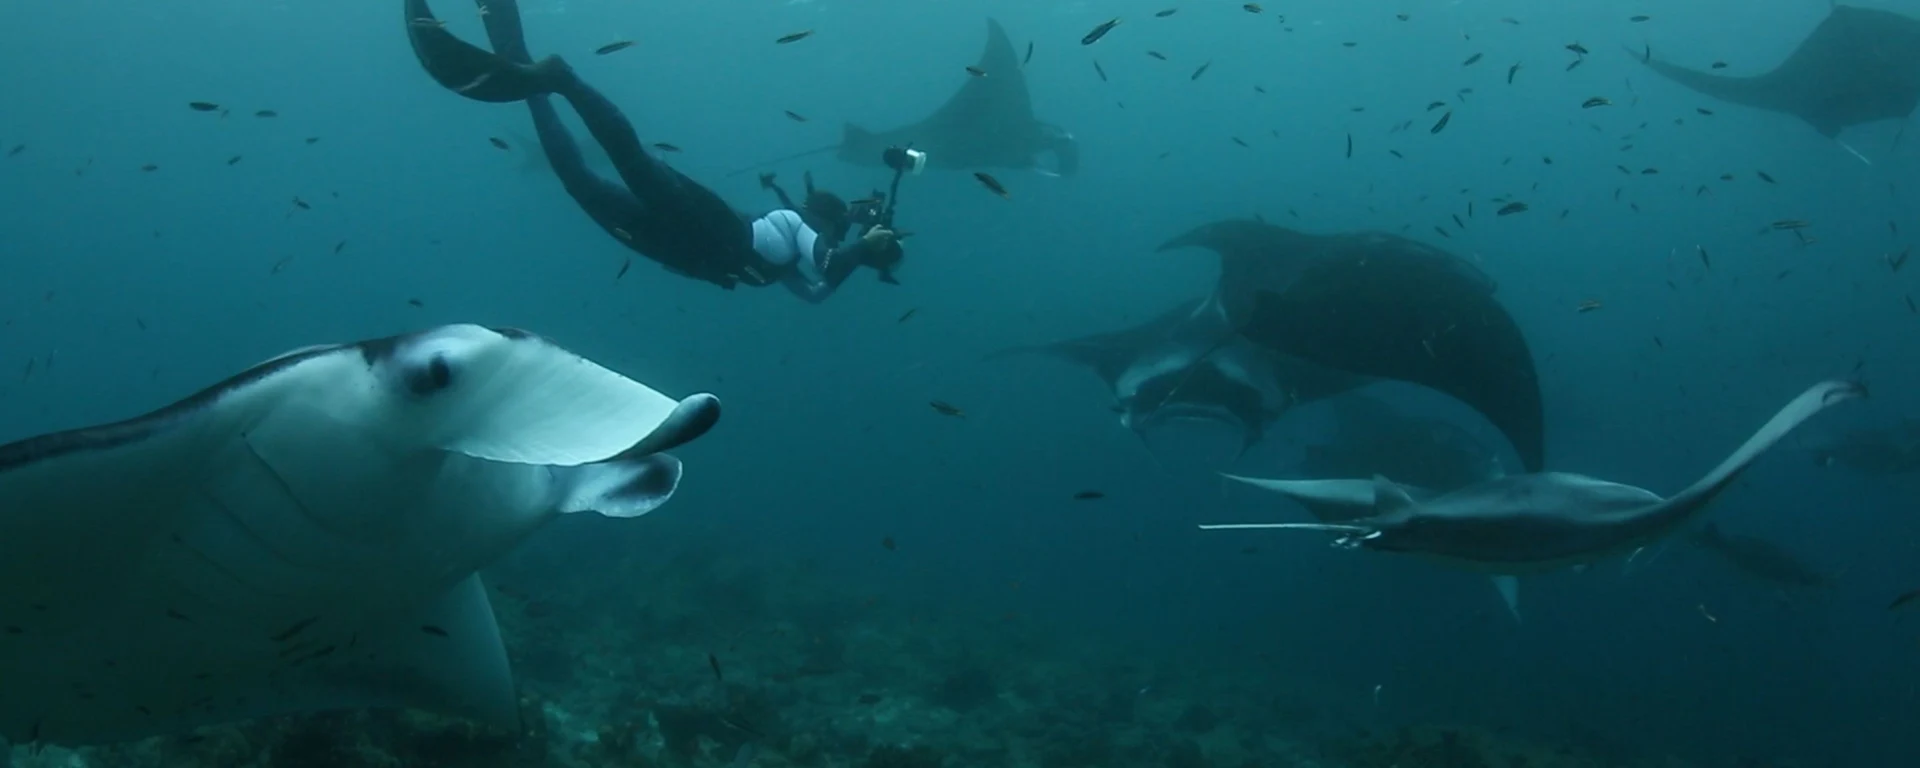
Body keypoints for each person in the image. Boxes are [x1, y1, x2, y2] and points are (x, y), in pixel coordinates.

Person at [404, 0, 901, 301]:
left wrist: (863, 249)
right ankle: (562, 79)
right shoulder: (800, 226)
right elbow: (831, 264)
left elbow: (817, 293)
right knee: (632, 162)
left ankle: (529, 79)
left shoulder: (795, 262)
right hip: (708, 225)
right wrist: (864, 246)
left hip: (685, 250)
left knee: (581, 183)